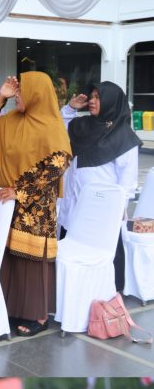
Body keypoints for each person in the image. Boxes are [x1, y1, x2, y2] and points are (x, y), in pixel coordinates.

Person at [0, 71, 72, 336]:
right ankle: (13, 308)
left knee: (32, 260)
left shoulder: (52, 127)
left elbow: (57, 164)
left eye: (20, 93)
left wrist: (19, 190)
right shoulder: (12, 121)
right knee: (11, 257)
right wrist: (1, 97)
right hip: (8, 202)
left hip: (36, 207)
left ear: (36, 95)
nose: (17, 97)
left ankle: (38, 315)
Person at [61, 82, 140, 287]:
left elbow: (127, 179)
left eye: (98, 97)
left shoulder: (124, 137)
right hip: (75, 198)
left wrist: (118, 207)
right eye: (92, 96)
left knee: (100, 253)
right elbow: (61, 125)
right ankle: (75, 289)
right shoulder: (83, 125)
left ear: (111, 102)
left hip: (102, 207)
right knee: (73, 248)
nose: (93, 101)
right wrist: (71, 108)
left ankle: (107, 294)